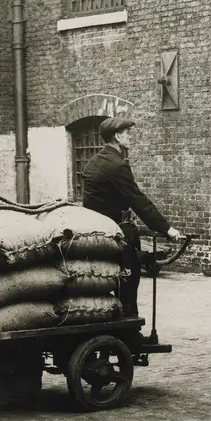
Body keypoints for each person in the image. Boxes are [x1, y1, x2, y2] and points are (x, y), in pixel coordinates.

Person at [81, 117, 181, 317]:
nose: (130, 136)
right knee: (129, 279)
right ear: (117, 136)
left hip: (95, 232)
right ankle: (129, 330)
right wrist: (167, 229)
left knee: (104, 281)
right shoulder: (118, 165)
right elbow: (138, 201)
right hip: (117, 233)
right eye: (127, 133)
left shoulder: (92, 162)